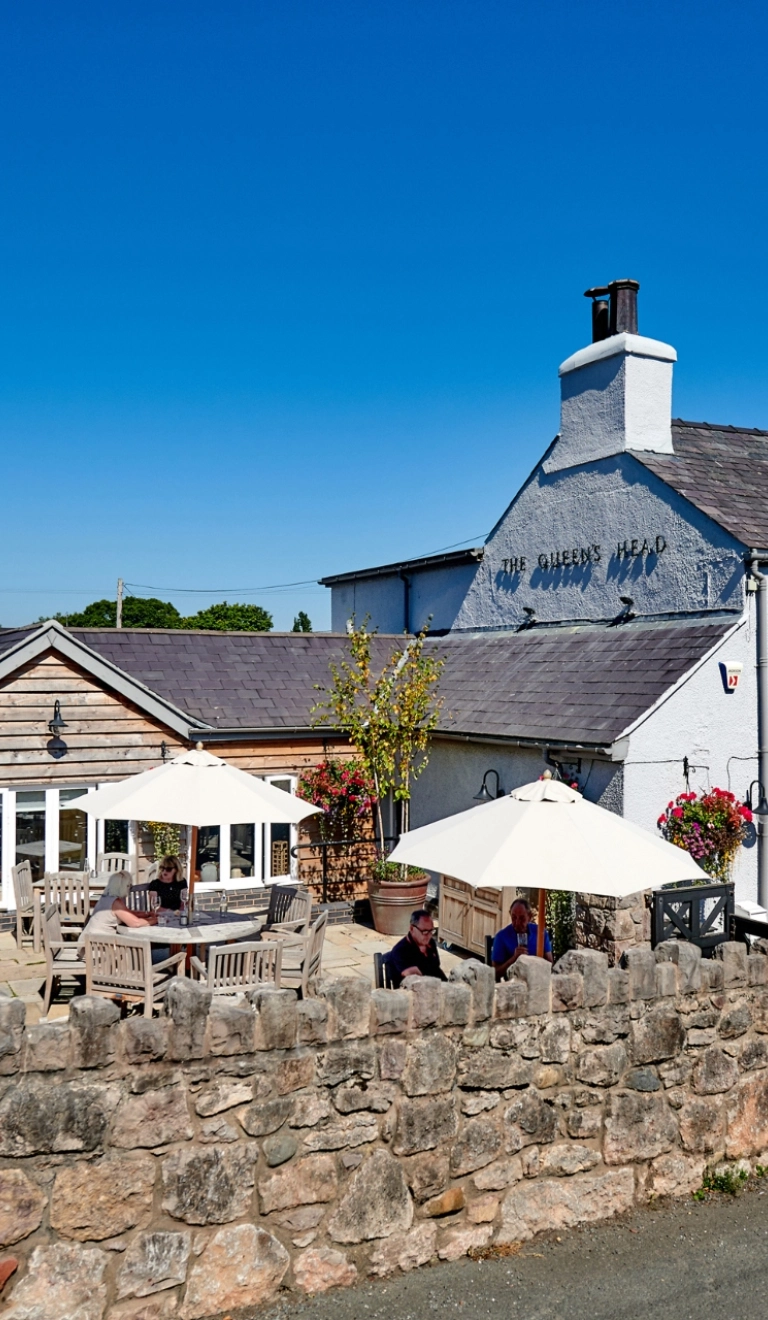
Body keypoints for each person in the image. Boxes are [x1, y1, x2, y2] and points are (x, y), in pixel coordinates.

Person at [77, 870, 158, 955]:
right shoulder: (115, 902)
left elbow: (127, 913)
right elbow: (135, 923)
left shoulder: (106, 897)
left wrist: (147, 914)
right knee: (138, 950)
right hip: (99, 950)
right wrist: (156, 920)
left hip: (89, 945)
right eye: (129, 886)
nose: (129, 889)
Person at [491, 897, 553, 980]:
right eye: (514, 918)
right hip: (512, 984)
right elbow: (495, 973)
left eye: (522, 918)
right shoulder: (501, 937)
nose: (517, 922)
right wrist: (514, 958)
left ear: (529, 916)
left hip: (537, 981)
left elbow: (550, 964)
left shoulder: (540, 933)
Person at [388, 909, 447, 989]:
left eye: (431, 931)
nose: (429, 936)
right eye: (425, 932)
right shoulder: (400, 951)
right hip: (416, 992)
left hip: (435, 987)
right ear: (412, 929)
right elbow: (416, 980)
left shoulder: (430, 943)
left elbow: (436, 967)